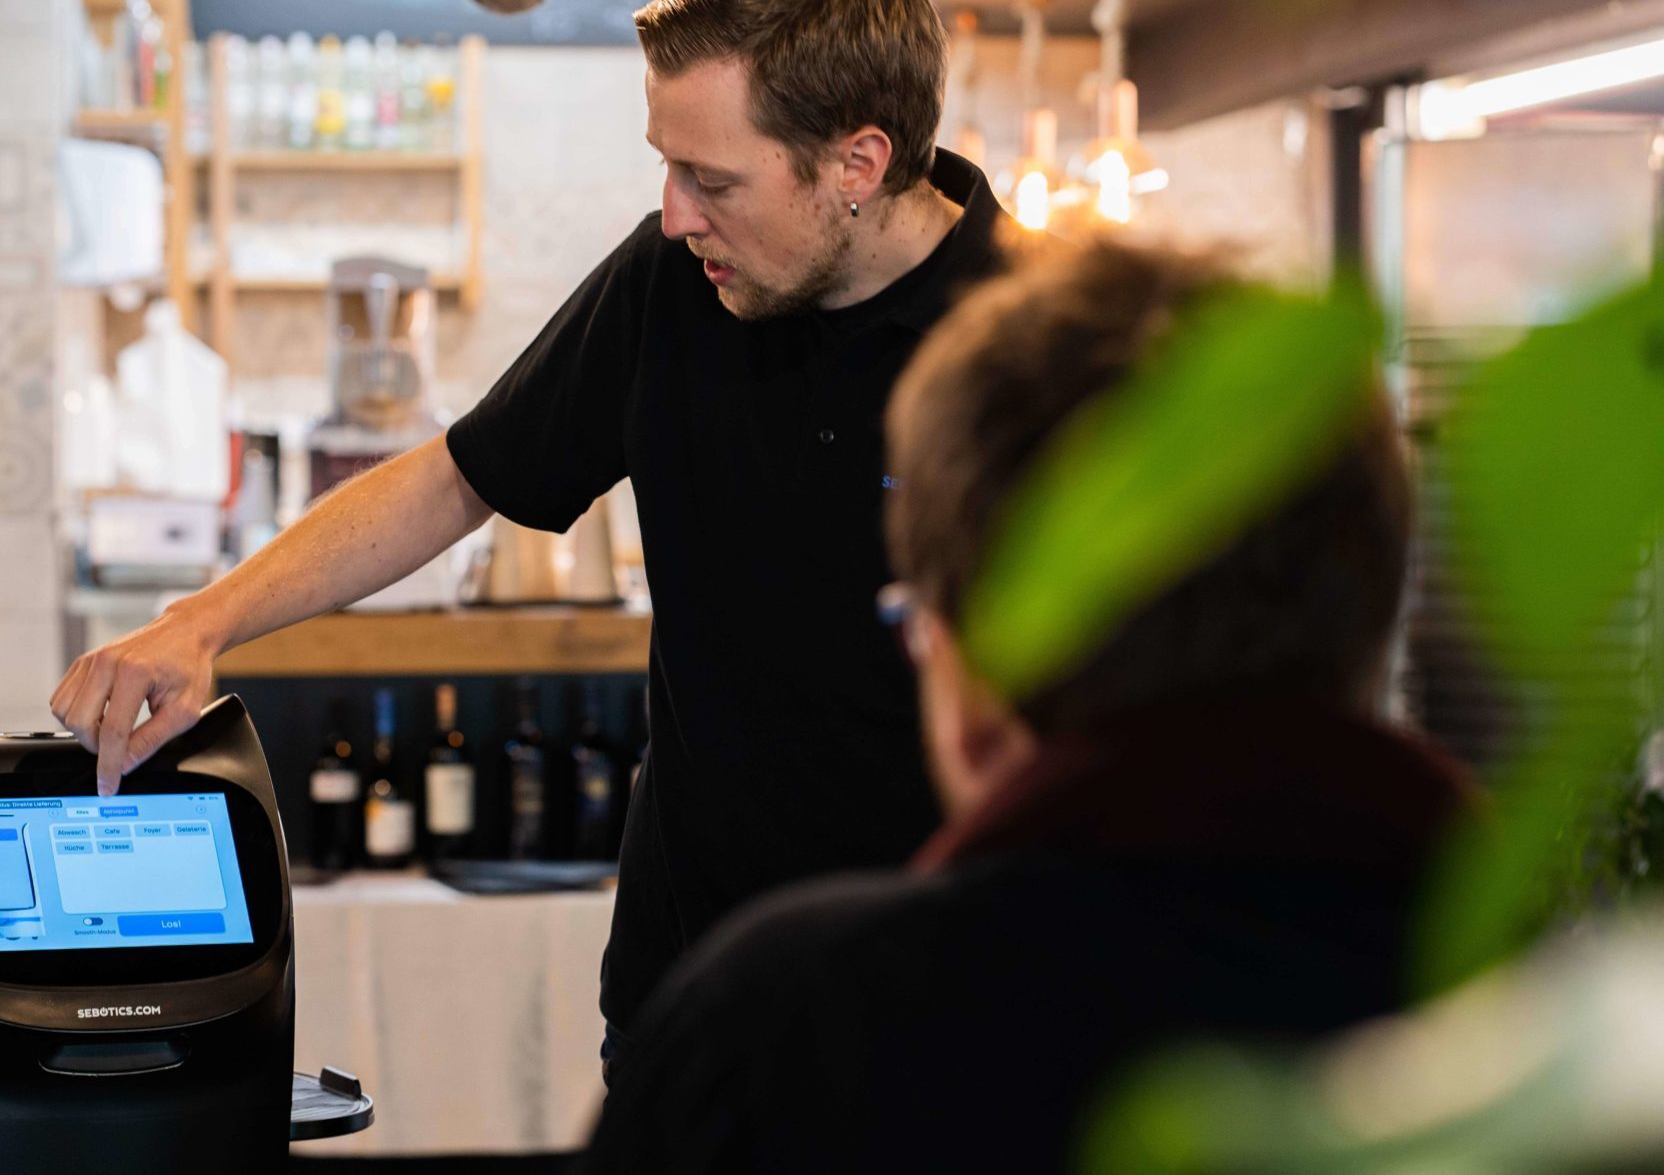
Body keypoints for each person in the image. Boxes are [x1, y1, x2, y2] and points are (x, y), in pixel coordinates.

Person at [49, 0, 1008, 1071]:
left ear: (856, 162)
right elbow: (459, 476)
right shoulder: (674, 283)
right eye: (666, 168)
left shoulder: (1029, 348)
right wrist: (202, 625)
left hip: (941, 1016)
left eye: (712, 179)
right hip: (685, 1000)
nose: (673, 213)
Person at [575, 241, 1475, 1172]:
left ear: (969, 683)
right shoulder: (1563, 1020)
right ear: (1373, 616)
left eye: (914, 621)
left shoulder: (784, 1038)